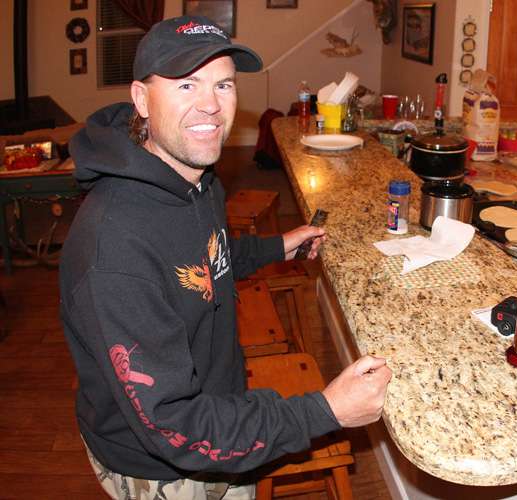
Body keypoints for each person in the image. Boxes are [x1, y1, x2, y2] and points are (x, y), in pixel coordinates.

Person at [60, 15, 391, 499]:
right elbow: (176, 427)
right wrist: (325, 411)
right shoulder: (114, 250)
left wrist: (278, 246)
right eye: (187, 84)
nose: (211, 105)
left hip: (223, 410)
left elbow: (202, 263)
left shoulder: (194, 177)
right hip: (165, 467)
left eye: (224, 84)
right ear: (140, 99)